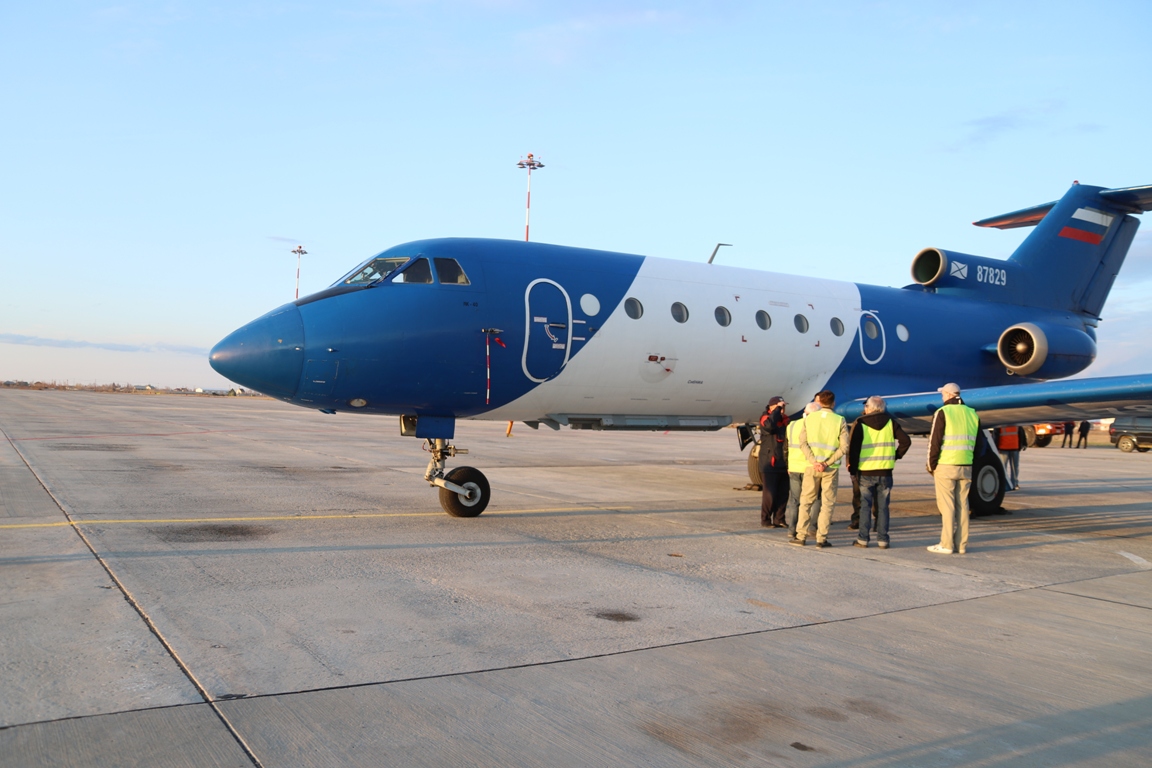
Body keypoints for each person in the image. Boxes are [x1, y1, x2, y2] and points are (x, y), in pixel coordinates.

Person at [926, 382, 988, 555]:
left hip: (946, 465)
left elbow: (935, 442)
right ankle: (961, 544)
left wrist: (931, 465)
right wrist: (971, 462)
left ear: (948, 395)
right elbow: (980, 444)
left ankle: (946, 544)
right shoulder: (972, 413)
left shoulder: (942, 412)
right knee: (962, 505)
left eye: (942, 394)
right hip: (965, 465)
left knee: (947, 506)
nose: (942, 397)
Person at [846, 396, 911, 549]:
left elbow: (854, 449)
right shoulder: (890, 422)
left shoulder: (861, 423)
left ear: (870, 408)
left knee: (865, 506)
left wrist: (853, 470)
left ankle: (863, 539)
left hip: (866, 471)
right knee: (883, 507)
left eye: (866, 406)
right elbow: (906, 441)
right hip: (885, 471)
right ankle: (883, 540)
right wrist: (895, 456)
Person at [792, 390, 849, 548]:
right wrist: (826, 463)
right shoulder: (840, 420)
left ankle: (801, 536)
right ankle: (821, 538)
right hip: (830, 468)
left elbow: (803, 443)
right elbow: (844, 447)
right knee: (827, 504)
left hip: (812, 466)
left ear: (819, 402)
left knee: (806, 502)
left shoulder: (809, 418)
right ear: (833, 403)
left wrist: (814, 461)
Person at [785, 402, 822, 541]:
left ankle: (792, 529)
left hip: (794, 467)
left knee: (795, 500)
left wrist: (788, 465)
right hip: (810, 467)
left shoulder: (791, 425)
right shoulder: (815, 427)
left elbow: (786, 447)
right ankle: (811, 527)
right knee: (815, 498)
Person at [757, 396, 790, 527]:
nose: (782, 409)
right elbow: (769, 427)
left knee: (783, 493)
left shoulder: (786, 420)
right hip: (770, 463)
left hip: (784, 462)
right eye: (779, 406)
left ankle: (779, 519)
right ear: (771, 407)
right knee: (770, 494)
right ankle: (765, 520)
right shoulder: (765, 418)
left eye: (783, 406)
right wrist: (776, 411)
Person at [994, 424, 1023, 491]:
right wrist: (1020, 445)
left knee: (1003, 468)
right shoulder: (1016, 423)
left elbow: (996, 435)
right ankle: (1014, 484)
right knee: (1014, 468)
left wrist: (996, 447)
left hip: (1003, 447)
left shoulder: (1000, 423)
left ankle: (1003, 484)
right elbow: (1021, 433)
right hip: (1014, 447)